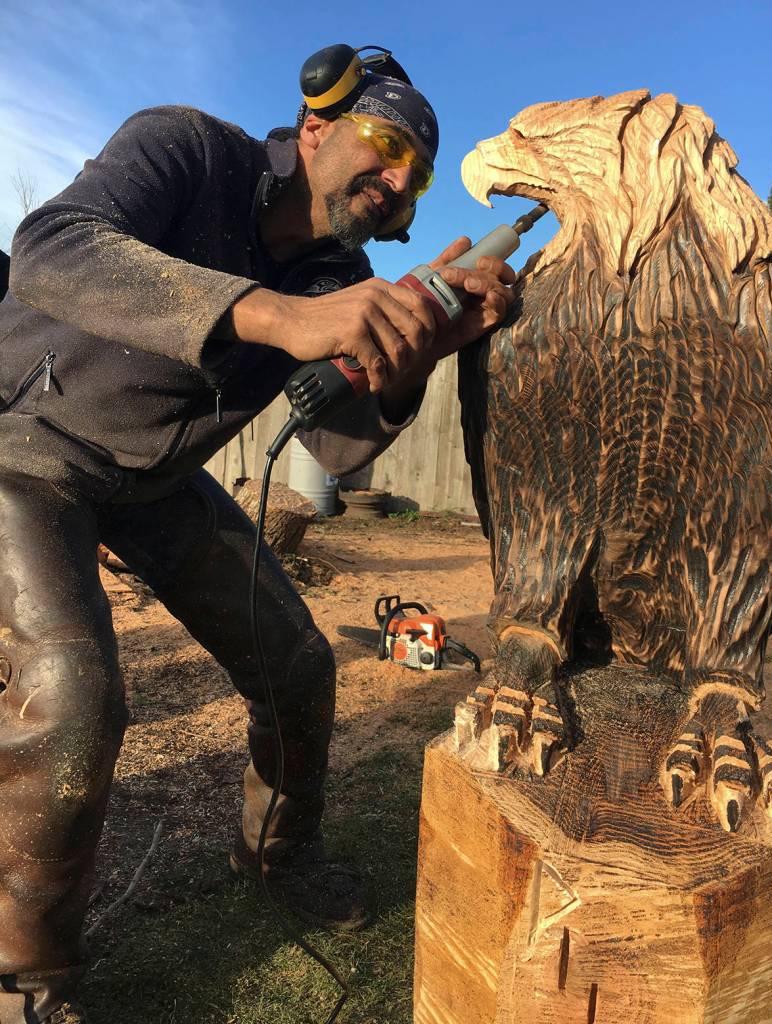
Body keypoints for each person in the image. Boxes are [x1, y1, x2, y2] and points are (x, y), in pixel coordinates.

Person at [0, 48, 515, 1024]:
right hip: (23, 446)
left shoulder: (341, 271)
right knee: (70, 692)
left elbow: (335, 441)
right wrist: (279, 315)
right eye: (389, 143)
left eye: (418, 170)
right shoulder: (188, 148)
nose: (401, 176)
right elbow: (51, 247)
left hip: (153, 482)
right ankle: (30, 977)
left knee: (297, 663)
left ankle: (279, 852)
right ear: (316, 127)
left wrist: (416, 360)